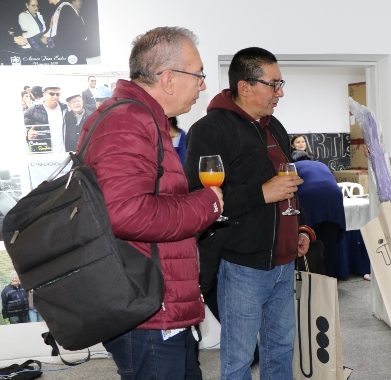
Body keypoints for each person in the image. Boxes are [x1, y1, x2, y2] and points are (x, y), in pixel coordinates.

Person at [76, 26, 224, 380]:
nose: (203, 85)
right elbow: (124, 212)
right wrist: (207, 204)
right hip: (147, 310)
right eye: (199, 74)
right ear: (169, 78)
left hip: (158, 304)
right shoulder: (128, 122)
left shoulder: (138, 119)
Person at [184, 46, 309, 380]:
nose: (280, 92)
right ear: (245, 86)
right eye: (273, 84)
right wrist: (261, 193)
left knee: (281, 349)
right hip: (243, 265)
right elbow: (200, 198)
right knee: (239, 357)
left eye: (281, 83)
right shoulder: (210, 130)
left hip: (283, 262)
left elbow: (290, 186)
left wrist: (302, 230)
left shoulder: (274, 126)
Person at [293, 149, 346, 276]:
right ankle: (328, 279)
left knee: (311, 240)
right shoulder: (321, 164)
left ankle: (314, 278)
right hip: (334, 196)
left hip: (309, 197)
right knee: (330, 241)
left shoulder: (293, 166)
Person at [24, 85, 68, 153]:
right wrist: (28, 134)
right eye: (52, 94)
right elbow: (25, 128)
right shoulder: (33, 110)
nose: (55, 97)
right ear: (44, 94)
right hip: (43, 153)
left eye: (58, 94)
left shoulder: (65, 108)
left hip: (62, 152)